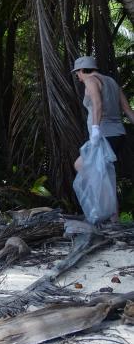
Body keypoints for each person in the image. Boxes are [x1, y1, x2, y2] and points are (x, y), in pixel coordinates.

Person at [72, 56, 134, 222]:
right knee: (105, 176)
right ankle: (113, 219)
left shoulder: (91, 81)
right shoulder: (112, 82)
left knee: (80, 165)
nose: (77, 76)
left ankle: (107, 213)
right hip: (118, 135)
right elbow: (127, 110)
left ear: (81, 70)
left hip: (103, 135)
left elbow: (97, 104)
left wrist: (95, 130)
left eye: (77, 72)